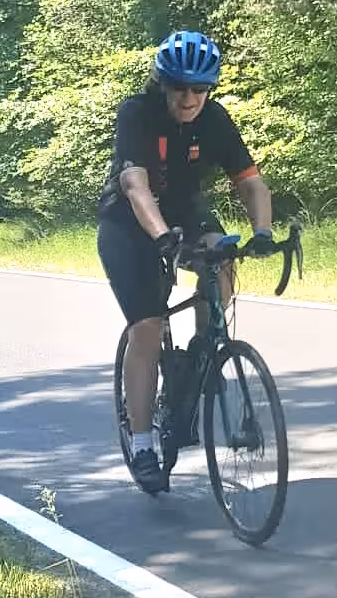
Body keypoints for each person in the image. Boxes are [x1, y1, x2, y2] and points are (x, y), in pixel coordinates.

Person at [97, 29, 275, 494]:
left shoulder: (214, 119)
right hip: (128, 224)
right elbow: (135, 186)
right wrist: (162, 239)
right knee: (148, 328)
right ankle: (142, 444)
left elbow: (251, 182)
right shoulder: (137, 113)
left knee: (223, 259)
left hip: (185, 212)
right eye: (179, 87)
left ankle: (200, 355)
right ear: (162, 84)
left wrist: (262, 233)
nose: (189, 98)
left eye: (200, 88)